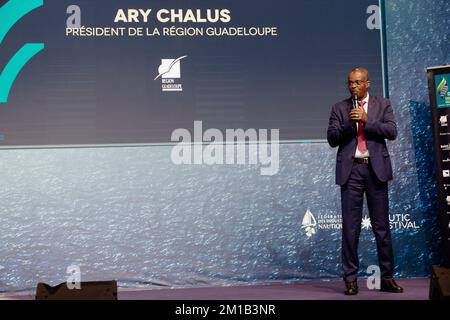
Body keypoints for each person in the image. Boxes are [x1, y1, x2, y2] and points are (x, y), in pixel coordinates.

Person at [327, 67, 403, 295]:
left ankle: (387, 277)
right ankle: (350, 279)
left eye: (358, 83)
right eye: (350, 83)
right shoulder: (339, 108)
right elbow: (331, 139)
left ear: (368, 83)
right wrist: (349, 125)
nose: (353, 87)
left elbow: (391, 131)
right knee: (350, 229)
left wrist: (367, 121)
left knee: (382, 228)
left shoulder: (383, 104)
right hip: (351, 173)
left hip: (375, 170)